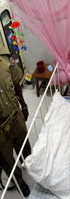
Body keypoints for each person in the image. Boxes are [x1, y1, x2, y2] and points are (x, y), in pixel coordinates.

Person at [0, 54, 31, 196]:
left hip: (14, 114)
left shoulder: (5, 59)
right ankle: (19, 180)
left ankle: (30, 164)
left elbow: (17, 83)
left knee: (24, 144)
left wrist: (24, 106)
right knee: (7, 161)